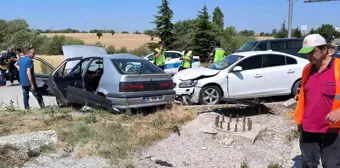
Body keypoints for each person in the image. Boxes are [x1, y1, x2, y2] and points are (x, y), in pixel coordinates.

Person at [294, 33, 340, 167]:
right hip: (308, 128)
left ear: (324, 49)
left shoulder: (338, 68)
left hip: (332, 131)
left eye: (312, 52)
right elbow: (304, 97)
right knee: (308, 164)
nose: (309, 57)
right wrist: (300, 121)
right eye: (306, 53)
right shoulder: (307, 69)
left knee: (331, 165)